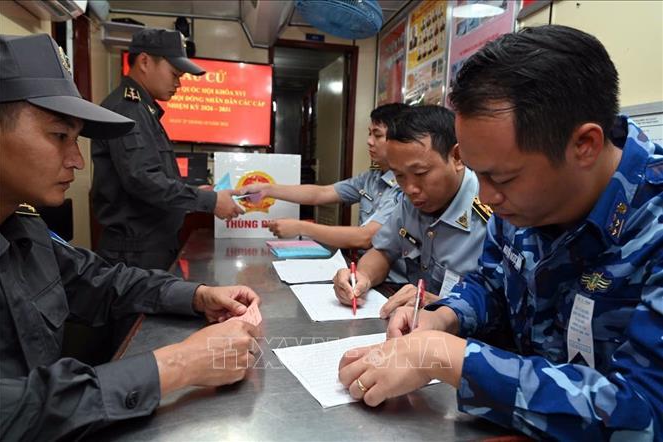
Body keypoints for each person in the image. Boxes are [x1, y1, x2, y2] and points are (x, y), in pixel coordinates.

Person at [337, 25, 662, 439]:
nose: (486, 198)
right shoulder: (520, 204)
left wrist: (448, 358)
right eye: (479, 175)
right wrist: (444, 318)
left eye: (502, 178)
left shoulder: (651, 223)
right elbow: (492, 284)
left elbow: (645, 414)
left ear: (584, 145)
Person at [0, 33, 260, 441]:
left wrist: (198, 295)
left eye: (76, 139)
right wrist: (179, 365)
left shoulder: (22, 226)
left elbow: (102, 281)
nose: (77, 159)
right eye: (59, 136)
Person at [91, 28, 243, 271]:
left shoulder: (142, 109)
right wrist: (209, 200)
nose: (178, 84)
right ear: (144, 62)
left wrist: (195, 192)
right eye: (174, 74)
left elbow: (151, 175)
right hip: (135, 255)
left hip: (149, 247)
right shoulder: (128, 109)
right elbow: (143, 180)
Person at [333, 105, 490, 318]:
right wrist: (362, 278)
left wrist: (445, 306)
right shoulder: (409, 202)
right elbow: (383, 251)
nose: (409, 188)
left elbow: (503, 305)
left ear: (457, 157)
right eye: (399, 175)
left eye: (420, 173)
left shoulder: (492, 211)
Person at [240, 103, 409, 282]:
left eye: (377, 135)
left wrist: (301, 228)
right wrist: (267, 189)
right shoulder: (370, 178)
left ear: (398, 139)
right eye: (369, 133)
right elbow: (321, 193)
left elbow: (366, 237)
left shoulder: (404, 186)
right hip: (362, 274)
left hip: (392, 284)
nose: (369, 141)